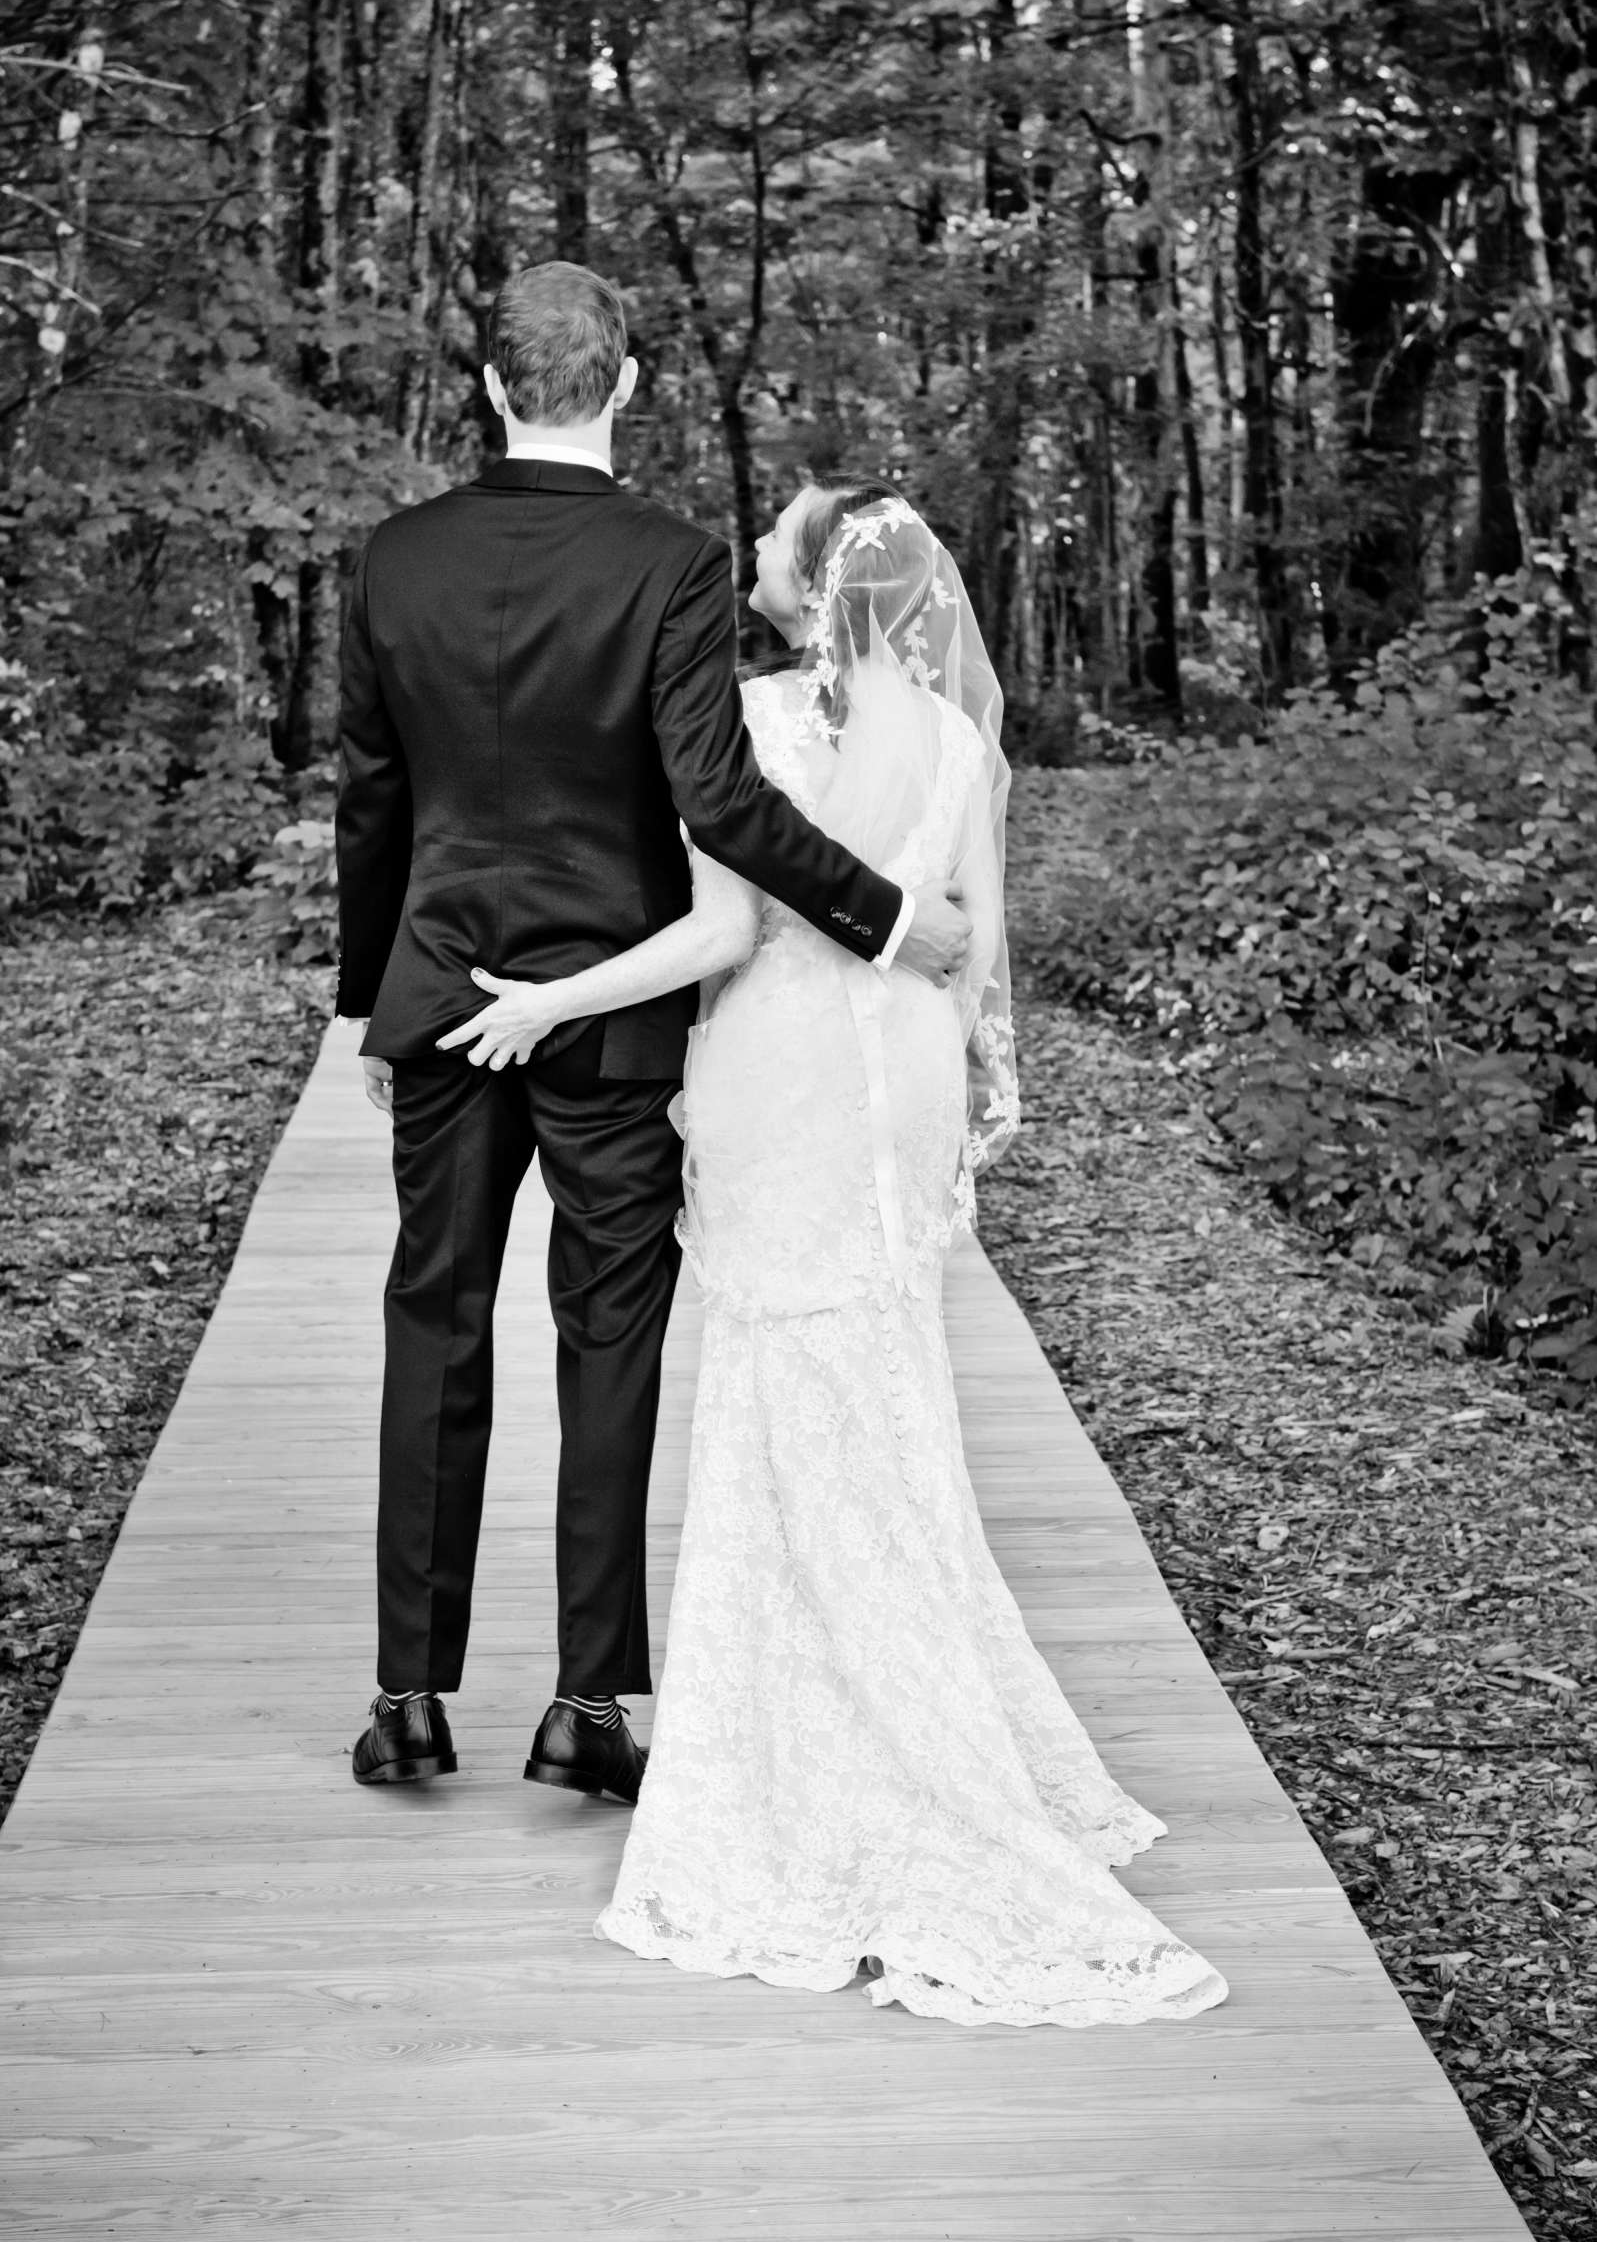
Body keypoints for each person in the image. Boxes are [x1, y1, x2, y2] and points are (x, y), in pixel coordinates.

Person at [444, 483, 1229, 2028]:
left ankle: (814, 1753)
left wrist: (550, 1000)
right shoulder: (957, 738)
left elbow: (725, 937)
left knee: (780, 1405)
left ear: (814, 588)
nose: (749, 560)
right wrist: (933, 1075)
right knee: (883, 1391)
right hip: (900, 1095)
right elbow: (973, 948)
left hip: (784, 1083)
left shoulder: (756, 721)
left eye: (773, 543)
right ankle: (911, 1704)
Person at [335, 264, 972, 1800]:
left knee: (435, 1325)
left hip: (443, 999)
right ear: (623, 385)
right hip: (615, 1013)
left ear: (488, 386)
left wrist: (373, 1001)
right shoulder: (669, 563)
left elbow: (371, 795)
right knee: (605, 1338)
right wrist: (887, 915)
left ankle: (410, 1698)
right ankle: (583, 1707)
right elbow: (720, 802)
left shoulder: (392, 559)